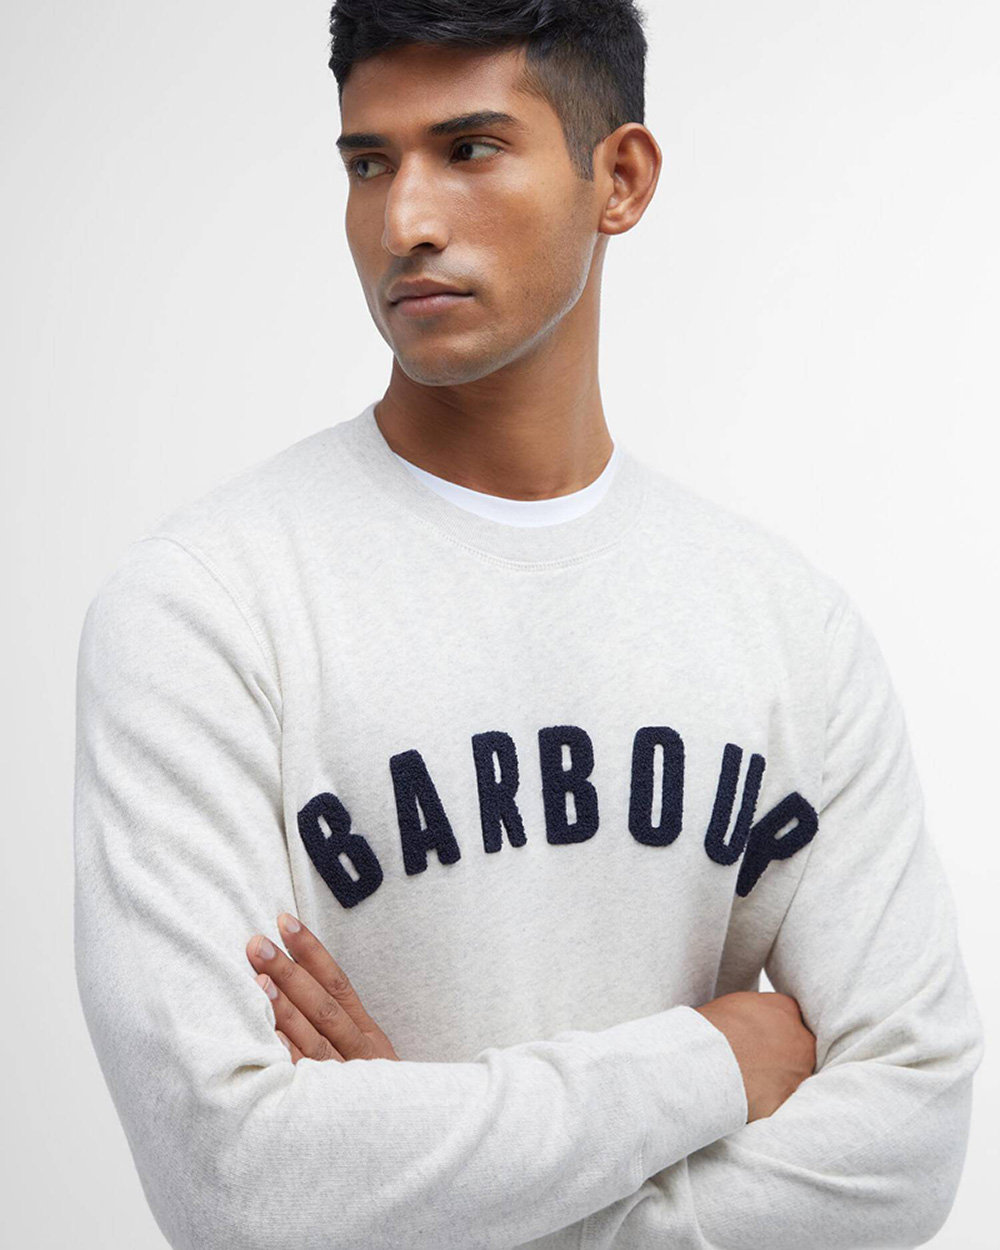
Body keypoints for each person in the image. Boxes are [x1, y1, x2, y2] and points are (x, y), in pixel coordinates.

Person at [73, 3, 984, 1249]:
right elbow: (235, 1182)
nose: (404, 220)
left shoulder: (785, 624)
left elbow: (911, 1135)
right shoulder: (205, 608)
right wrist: (711, 1057)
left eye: (469, 148)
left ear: (621, 178)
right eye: (368, 163)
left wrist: (429, 1200)